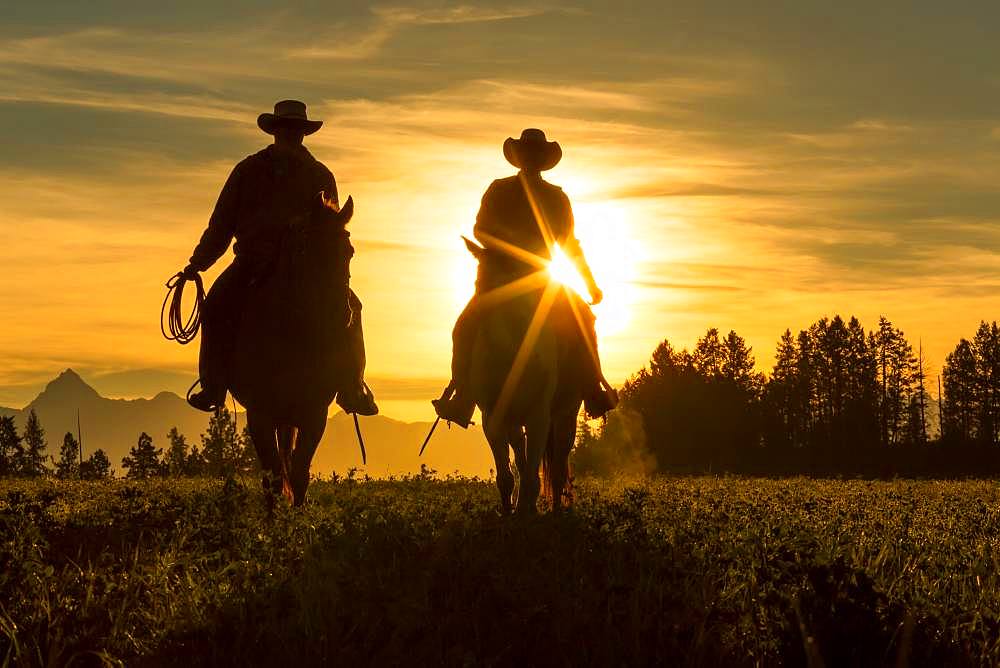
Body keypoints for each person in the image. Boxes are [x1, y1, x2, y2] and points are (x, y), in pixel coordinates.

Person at [180, 100, 377, 415]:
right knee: (216, 303)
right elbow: (222, 224)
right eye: (286, 129)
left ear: (302, 133)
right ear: (275, 131)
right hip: (251, 262)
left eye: (295, 129)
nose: (291, 135)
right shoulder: (248, 171)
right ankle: (213, 384)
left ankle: (352, 386)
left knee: (351, 308)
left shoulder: (320, 175)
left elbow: (331, 229)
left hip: (308, 268)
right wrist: (198, 263)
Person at [433, 128, 618, 427]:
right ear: (519, 158)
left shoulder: (557, 197)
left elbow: (570, 243)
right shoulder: (498, 190)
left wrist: (590, 283)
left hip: (540, 279)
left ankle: (592, 387)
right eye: (527, 154)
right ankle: (463, 395)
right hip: (500, 277)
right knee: (464, 327)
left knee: (584, 319)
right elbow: (480, 229)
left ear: (541, 160)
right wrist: (507, 246)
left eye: (535, 155)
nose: (530, 160)